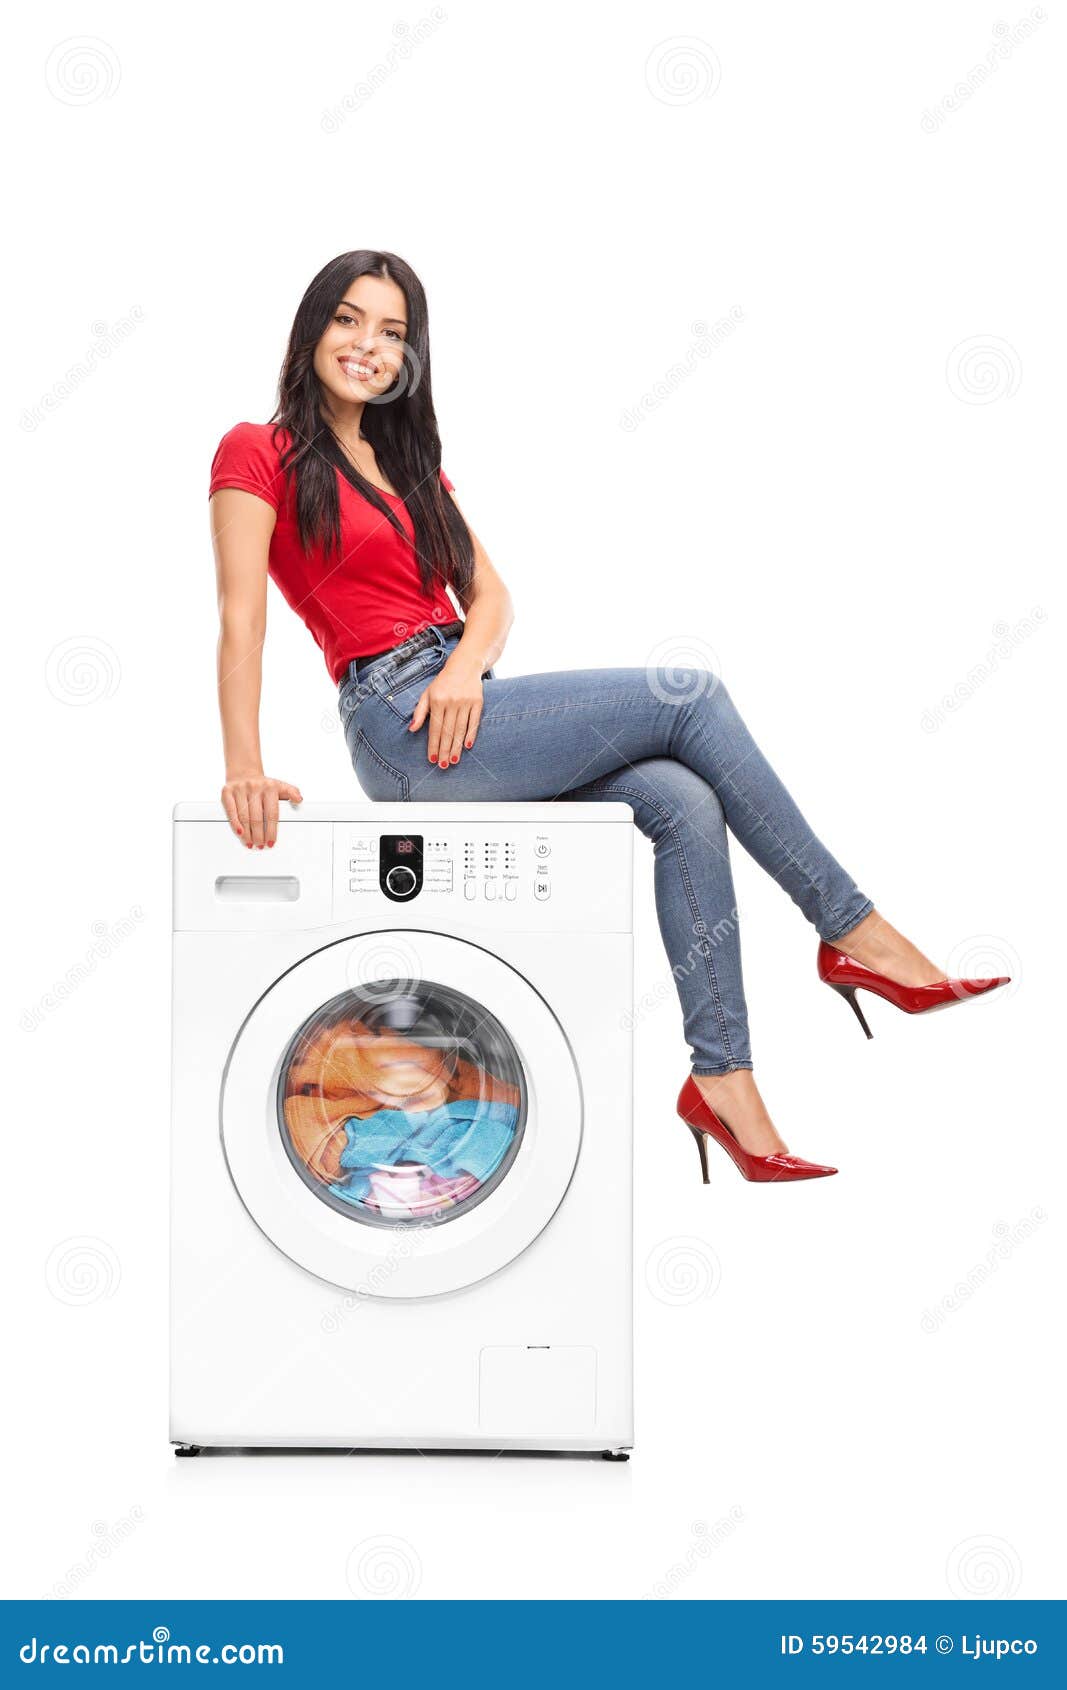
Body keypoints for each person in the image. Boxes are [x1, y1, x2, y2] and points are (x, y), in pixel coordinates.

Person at [209, 250, 1008, 1186]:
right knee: (687, 695)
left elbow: (494, 597)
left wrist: (467, 665)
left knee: (678, 797)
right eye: (348, 321)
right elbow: (241, 618)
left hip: (460, 698)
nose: (367, 346)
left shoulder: (408, 465)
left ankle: (725, 1082)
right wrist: (244, 766)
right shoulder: (254, 451)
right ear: (311, 329)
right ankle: (853, 932)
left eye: (391, 333)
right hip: (394, 721)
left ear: (409, 357)